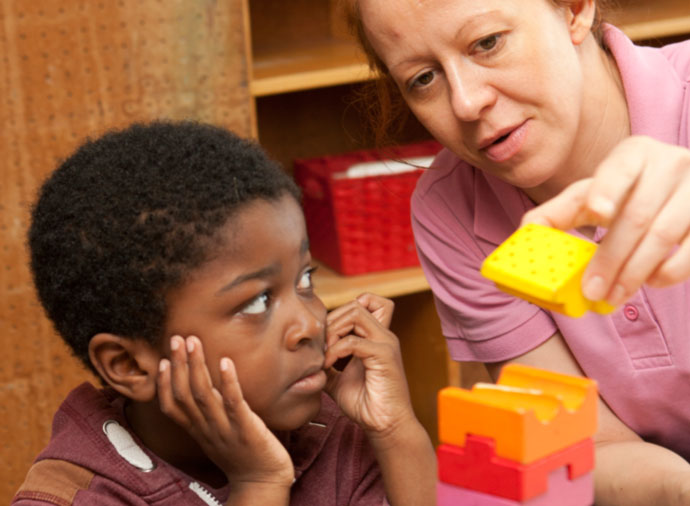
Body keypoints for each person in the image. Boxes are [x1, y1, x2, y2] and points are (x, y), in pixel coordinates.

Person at [342, 0, 690, 504]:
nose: (466, 103)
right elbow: (586, 447)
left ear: (574, 10)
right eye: (423, 78)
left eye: (487, 43)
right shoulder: (450, 209)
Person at [13, 121, 436, 505]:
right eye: (256, 302)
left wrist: (394, 430)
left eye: (305, 279)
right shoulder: (73, 497)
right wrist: (259, 484)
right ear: (130, 365)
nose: (311, 324)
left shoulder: (330, 428)